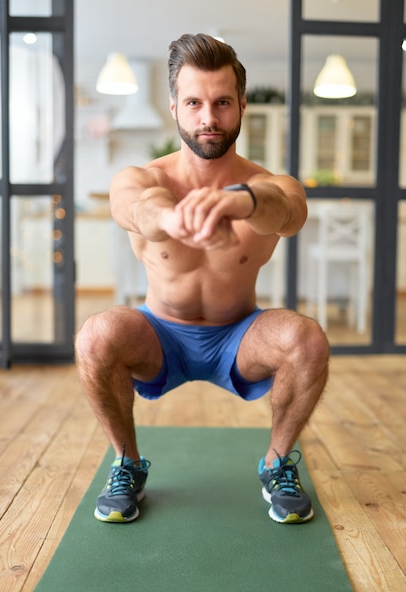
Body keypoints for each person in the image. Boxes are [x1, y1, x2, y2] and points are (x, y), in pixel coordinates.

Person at [75, 33, 329, 525]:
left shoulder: (270, 184)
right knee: (95, 334)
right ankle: (126, 463)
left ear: (241, 106)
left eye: (221, 102)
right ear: (174, 106)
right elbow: (132, 205)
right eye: (193, 102)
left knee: (308, 340)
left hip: (239, 336)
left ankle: (277, 463)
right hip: (160, 333)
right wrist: (173, 220)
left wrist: (242, 201)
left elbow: (290, 213)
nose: (208, 118)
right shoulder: (144, 178)